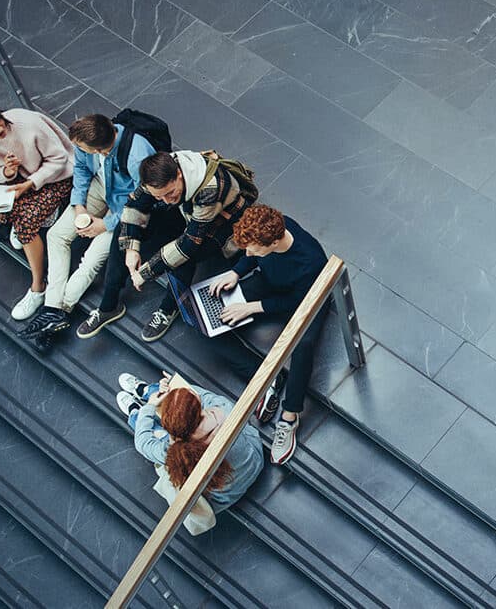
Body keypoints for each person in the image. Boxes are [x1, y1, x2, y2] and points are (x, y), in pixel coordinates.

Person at [77, 150, 257, 342]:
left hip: (221, 222)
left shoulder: (210, 189)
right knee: (124, 228)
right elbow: (135, 204)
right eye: (159, 196)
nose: (166, 199)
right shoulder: (158, 174)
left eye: (169, 192)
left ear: (179, 174)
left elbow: (188, 244)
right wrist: (130, 248)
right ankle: (108, 306)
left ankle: (168, 309)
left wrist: (145, 273)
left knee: (186, 257)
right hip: (187, 210)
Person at [18, 114, 156, 344]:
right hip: (99, 187)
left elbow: (144, 201)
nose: (78, 150)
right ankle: (52, 308)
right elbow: (81, 170)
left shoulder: (137, 157)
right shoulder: (86, 138)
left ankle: (61, 310)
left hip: (125, 205)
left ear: (100, 151)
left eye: (83, 149)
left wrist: (106, 224)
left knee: (91, 259)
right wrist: (79, 205)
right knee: (56, 236)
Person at [209, 205, 329, 464]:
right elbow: (252, 256)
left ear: (274, 242)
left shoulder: (312, 261)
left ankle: (290, 416)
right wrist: (236, 271)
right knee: (212, 324)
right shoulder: (273, 228)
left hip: (307, 299)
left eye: (253, 249)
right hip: (272, 285)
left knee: (302, 345)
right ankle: (266, 380)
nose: (248, 253)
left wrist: (252, 307)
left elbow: (299, 301)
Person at [0, 99, 73, 321]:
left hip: (57, 176)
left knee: (25, 226)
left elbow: (60, 159)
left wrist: (30, 183)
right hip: (21, 178)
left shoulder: (27, 124)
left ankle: (38, 287)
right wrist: (8, 172)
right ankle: (38, 215)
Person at [116, 373, 264, 512]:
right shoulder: (225, 410)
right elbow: (198, 396)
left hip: (223, 499)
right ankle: (146, 392)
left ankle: (137, 411)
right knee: (177, 399)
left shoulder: (177, 452)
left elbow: (143, 443)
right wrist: (176, 385)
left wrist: (149, 407)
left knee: (155, 428)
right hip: (255, 462)